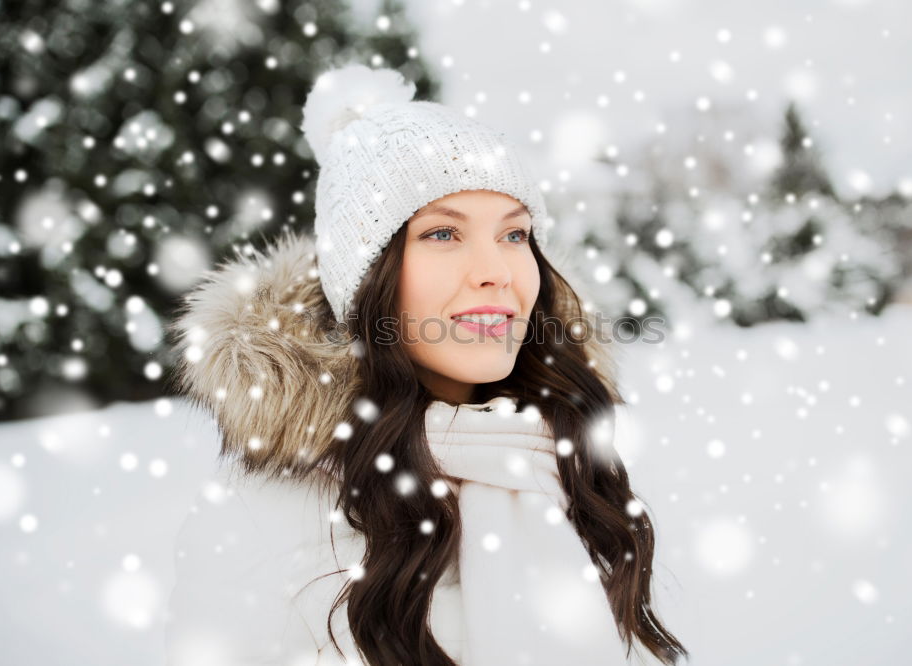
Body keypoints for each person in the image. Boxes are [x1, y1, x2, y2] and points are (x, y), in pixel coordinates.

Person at [163, 63, 688, 666]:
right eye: (443, 234)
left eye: (515, 236)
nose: (495, 269)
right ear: (366, 282)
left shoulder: (558, 455)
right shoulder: (261, 521)